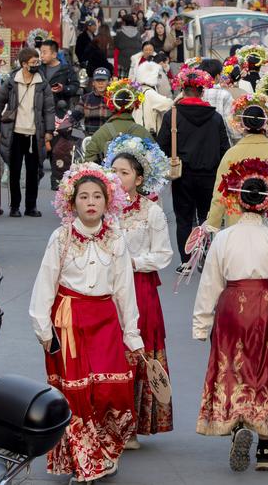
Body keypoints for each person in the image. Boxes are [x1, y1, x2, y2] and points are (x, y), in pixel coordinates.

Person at [193, 158, 268, 473]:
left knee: (233, 371)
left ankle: (237, 428)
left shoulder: (223, 239)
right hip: (266, 308)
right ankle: (263, 449)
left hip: (231, 306)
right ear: (267, 204)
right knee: (265, 374)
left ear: (237, 200)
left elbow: (210, 284)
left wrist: (201, 324)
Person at [28, 162, 142, 482]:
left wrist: (132, 335)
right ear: (72, 202)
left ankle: (107, 450)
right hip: (68, 321)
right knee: (77, 395)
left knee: (110, 390)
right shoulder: (61, 238)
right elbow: (45, 284)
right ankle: (86, 463)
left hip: (105, 320)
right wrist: (43, 330)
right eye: (83, 197)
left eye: (97, 196)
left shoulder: (117, 239)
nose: (90, 202)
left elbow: (124, 290)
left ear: (108, 201)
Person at [106, 136, 174, 447]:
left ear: (139, 178)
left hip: (140, 288)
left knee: (138, 354)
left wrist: (129, 262)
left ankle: (132, 424)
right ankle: (107, 421)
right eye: (114, 171)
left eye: (124, 173)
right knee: (108, 354)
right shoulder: (101, 208)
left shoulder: (152, 212)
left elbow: (163, 255)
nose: (117, 178)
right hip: (105, 289)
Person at [156, 67, 230, 270]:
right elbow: (225, 149)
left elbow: (161, 146)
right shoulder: (215, 118)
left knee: (184, 219)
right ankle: (207, 256)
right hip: (210, 175)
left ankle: (186, 261)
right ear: (202, 91)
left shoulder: (172, 116)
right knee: (208, 218)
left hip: (182, 175)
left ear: (183, 90)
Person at [205, 95, 268, 233]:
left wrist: (213, 224)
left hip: (237, 222)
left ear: (242, 124)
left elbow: (220, 195)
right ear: (265, 124)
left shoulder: (231, 154)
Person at [0, 48, 55, 218]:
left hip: (35, 133)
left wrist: (49, 130)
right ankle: (15, 207)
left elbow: (49, 109)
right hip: (14, 133)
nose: (36, 65)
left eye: (37, 62)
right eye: (33, 63)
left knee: (34, 172)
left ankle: (31, 206)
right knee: (15, 172)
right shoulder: (12, 82)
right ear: (24, 64)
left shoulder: (43, 83)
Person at [83, 79, 152, 164]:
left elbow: (88, 165)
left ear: (112, 106)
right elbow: (155, 161)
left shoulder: (99, 134)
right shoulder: (144, 133)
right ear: (133, 106)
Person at [133, 60, 174, 136]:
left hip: (139, 131)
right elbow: (168, 104)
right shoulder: (150, 93)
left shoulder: (139, 91)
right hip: (149, 134)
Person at [40, 40, 79, 107]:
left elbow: (75, 87)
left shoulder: (67, 69)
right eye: (41, 53)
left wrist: (63, 88)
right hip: (42, 109)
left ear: (54, 55)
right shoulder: (39, 69)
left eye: (44, 53)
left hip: (60, 108)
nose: (41, 56)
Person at [81, 68, 113, 135]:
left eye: (103, 80)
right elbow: (74, 116)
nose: (100, 83)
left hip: (111, 139)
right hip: (90, 137)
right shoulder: (85, 98)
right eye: (98, 80)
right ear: (93, 83)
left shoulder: (115, 98)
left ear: (109, 82)